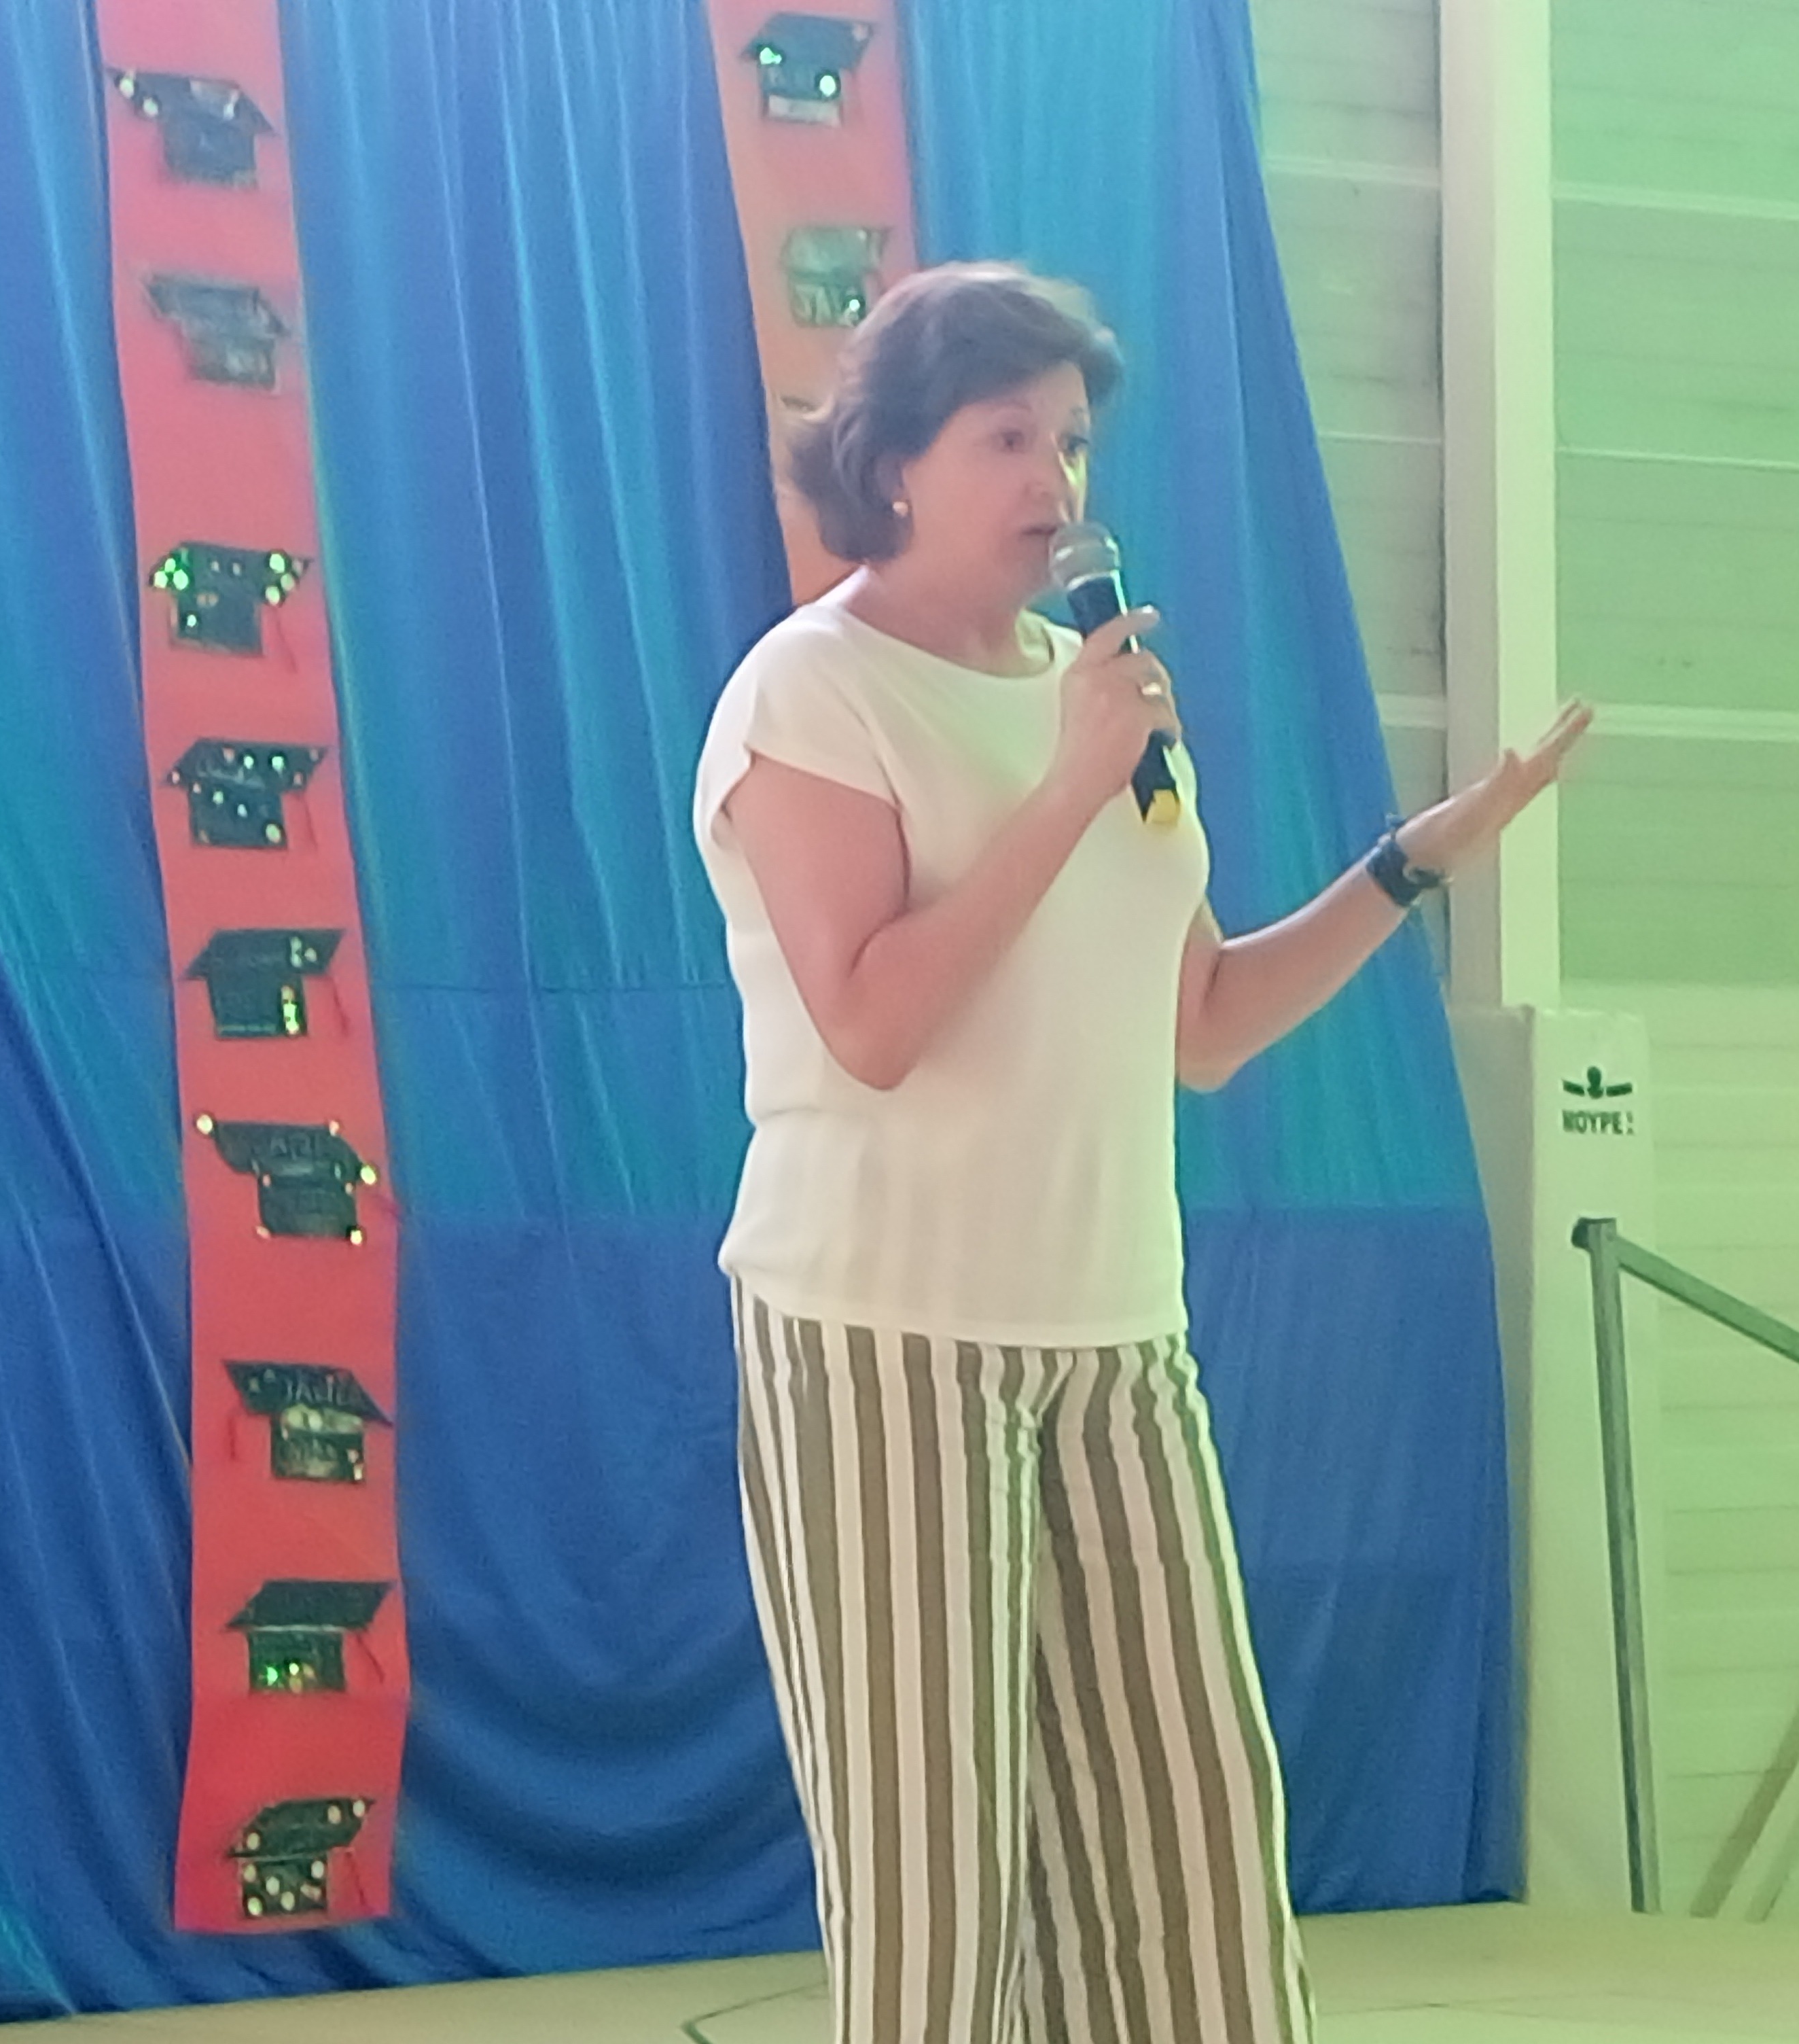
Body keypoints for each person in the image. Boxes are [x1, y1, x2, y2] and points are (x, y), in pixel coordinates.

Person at [692, 261, 1588, 2044]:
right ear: (892, 465)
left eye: (1075, 441)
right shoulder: (814, 693)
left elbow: (1205, 1023)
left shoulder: (1100, 694)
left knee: (1198, 1870)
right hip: (886, 1337)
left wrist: (1415, 859)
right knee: (937, 1896)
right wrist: (1059, 786)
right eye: (1006, 438)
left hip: (1116, 1336)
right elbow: (871, 1022)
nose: (1057, 480)